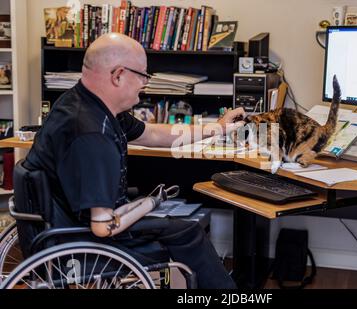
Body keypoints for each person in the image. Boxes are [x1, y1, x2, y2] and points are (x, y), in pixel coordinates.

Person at [24, 33, 245, 289]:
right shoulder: (92, 133)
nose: (145, 84)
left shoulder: (85, 104)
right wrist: (150, 202)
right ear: (118, 75)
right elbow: (103, 227)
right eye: (143, 75)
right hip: (85, 238)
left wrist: (216, 128)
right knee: (188, 232)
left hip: (69, 220)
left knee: (178, 225)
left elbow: (151, 133)